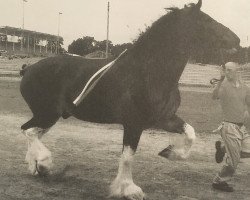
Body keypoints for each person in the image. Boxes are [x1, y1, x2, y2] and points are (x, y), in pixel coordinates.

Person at [212, 61, 250, 192]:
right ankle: (219, 181)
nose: (227, 72)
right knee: (234, 161)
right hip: (229, 127)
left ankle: (223, 149)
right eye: (225, 69)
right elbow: (214, 96)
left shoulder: (245, 87)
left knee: (247, 152)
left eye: (230, 70)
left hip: (241, 128)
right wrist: (221, 79)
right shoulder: (224, 85)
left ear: (237, 71)